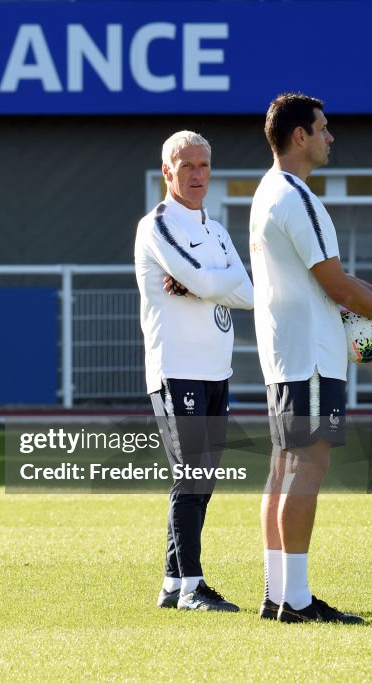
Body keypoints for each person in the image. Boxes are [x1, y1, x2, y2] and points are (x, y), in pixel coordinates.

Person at [250, 93, 372, 624]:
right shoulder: (298, 197)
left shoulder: (269, 191)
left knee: (283, 469)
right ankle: (294, 600)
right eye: (322, 128)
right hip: (310, 357)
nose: (330, 136)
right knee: (306, 467)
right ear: (299, 135)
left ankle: (278, 593)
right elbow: (336, 285)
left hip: (287, 355)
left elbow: (336, 278)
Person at [135, 130, 254, 612]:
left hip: (215, 370)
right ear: (168, 172)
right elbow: (213, 278)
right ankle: (192, 588)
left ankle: (171, 583)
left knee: (202, 479)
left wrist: (203, 285)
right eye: (187, 166)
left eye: (204, 165)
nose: (198, 174)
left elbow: (246, 293)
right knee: (192, 474)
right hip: (176, 368)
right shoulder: (157, 224)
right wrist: (207, 282)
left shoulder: (218, 230)